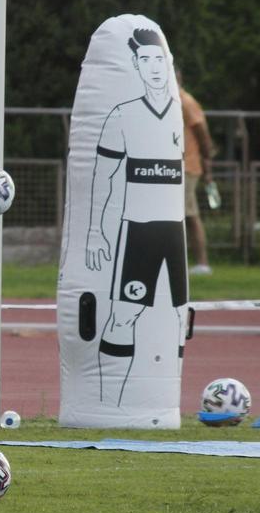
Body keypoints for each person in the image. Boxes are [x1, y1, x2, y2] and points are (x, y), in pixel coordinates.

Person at [84, 27, 188, 405]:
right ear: (136, 65)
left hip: (174, 233)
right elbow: (102, 175)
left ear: (168, 65)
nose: (154, 67)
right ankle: (109, 404)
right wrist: (95, 230)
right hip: (139, 233)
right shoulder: (122, 115)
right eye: (146, 60)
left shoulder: (177, 114)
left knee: (180, 318)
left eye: (159, 59)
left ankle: (165, 402)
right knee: (124, 315)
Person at [177, 68, 215, 275]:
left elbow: (202, 132)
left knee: (188, 214)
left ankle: (201, 263)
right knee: (184, 214)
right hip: (175, 166)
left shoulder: (185, 101)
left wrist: (207, 159)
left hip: (187, 166)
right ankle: (190, 262)